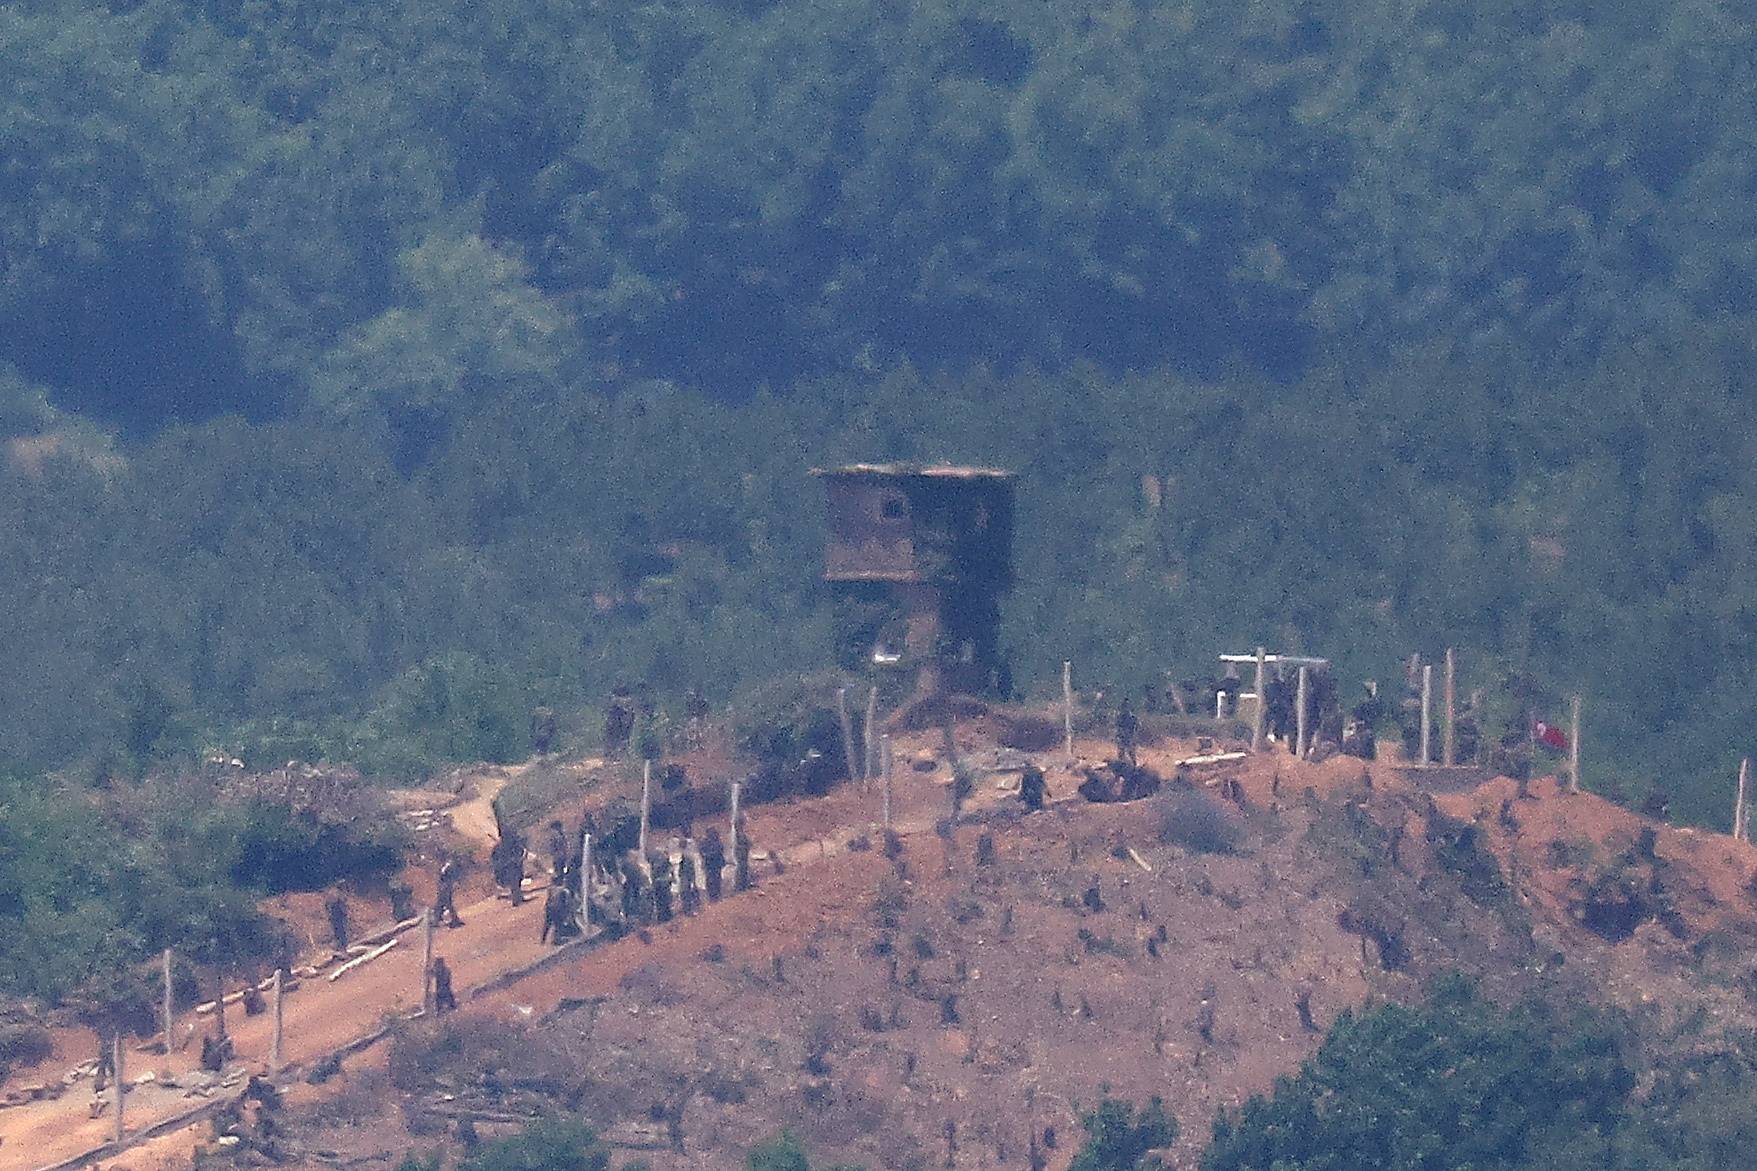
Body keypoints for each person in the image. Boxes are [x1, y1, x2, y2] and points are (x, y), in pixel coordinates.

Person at [435, 857, 464, 927]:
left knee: (443, 903)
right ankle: (453, 920)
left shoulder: (447, 866)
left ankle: (438, 920)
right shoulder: (449, 866)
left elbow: (443, 876)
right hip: (445, 886)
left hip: (445, 886)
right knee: (446, 903)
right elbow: (444, 877)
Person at [700, 828, 725, 901]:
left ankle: (716, 895)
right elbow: (702, 851)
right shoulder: (705, 842)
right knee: (711, 879)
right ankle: (712, 896)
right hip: (710, 863)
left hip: (715, 863)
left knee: (716, 879)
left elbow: (720, 850)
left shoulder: (716, 842)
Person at [1114, 697, 1139, 765]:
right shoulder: (1120, 717)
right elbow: (1117, 726)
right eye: (1124, 706)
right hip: (1122, 736)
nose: (1125, 708)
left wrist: (1133, 736)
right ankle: (1122, 765)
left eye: (1127, 706)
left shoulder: (1133, 718)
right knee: (1121, 752)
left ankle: (1135, 766)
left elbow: (1136, 728)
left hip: (1130, 737)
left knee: (1131, 753)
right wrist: (1119, 735)